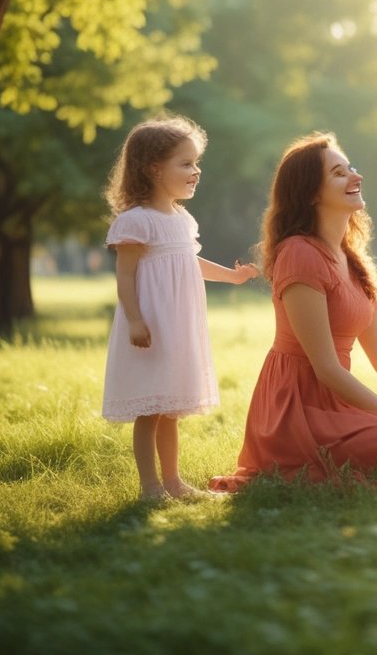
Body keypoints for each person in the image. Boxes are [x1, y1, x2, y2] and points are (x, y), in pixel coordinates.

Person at [210, 133, 377, 495]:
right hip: (300, 414)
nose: (356, 176)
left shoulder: (352, 260)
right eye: (339, 173)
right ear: (311, 193)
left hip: (342, 406)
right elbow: (327, 369)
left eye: (351, 167)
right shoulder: (299, 254)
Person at [102, 116, 260, 501]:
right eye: (186, 163)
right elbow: (125, 278)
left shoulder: (182, 219)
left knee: (170, 407)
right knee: (150, 408)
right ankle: (150, 487)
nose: (196, 171)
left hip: (178, 324)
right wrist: (136, 320)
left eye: (196, 162)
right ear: (154, 168)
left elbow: (192, 263)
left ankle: (173, 481)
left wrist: (233, 277)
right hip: (151, 325)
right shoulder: (136, 221)